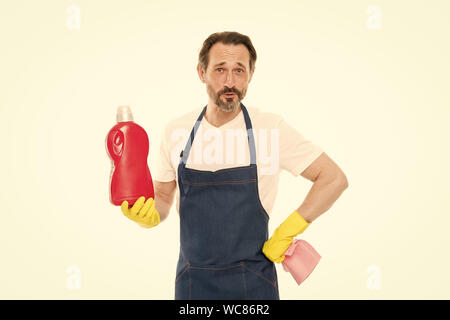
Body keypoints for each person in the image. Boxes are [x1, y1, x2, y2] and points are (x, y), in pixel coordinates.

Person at [120, 31, 348, 300]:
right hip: (193, 283)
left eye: (239, 70)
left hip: (253, 283)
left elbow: (333, 178)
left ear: (250, 74)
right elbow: (162, 197)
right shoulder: (175, 131)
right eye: (220, 70)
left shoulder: (270, 128)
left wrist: (288, 230)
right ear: (201, 72)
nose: (230, 81)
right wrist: (149, 216)